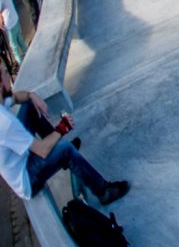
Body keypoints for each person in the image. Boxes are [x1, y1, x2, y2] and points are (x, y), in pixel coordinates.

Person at [0, 67, 130, 204]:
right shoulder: (5, 123)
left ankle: (57, 150)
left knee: (29, 106)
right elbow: (42, 151)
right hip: (26, 178)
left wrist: (32, 95)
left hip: (22, 157)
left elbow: (16, 97)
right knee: (65, 149)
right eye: (6, 74)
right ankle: (103, 192)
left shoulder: (2, 102)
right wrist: (62, 128)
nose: (9, 77)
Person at [0, 0, 27, 68]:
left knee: (14, 47)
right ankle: (28, 55)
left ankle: (22, 66)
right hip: (15, 17)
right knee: (21, 40)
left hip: (9, 24)